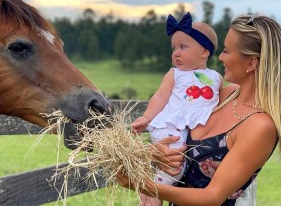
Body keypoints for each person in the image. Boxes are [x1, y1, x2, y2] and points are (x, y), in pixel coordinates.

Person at [118, 13, 280, 206]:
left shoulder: (260, 126)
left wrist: (142, 184)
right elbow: (177, 129)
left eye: (227, 51)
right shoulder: (224, 96)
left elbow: (212, 197)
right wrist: (155, 152)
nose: (219, 57)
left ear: (251, 63)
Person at [131, 12, 223, 206]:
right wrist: (146, 119)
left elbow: (221, 104)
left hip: (190, 130)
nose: (176, 53)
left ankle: (152, 189)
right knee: (175, 165)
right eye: (174, 48)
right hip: (170, 124)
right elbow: (160, 97)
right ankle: (151, 197)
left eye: (183, 47)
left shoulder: (216, 78)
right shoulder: (175, 74)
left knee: (183, 167)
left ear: (205, 51)